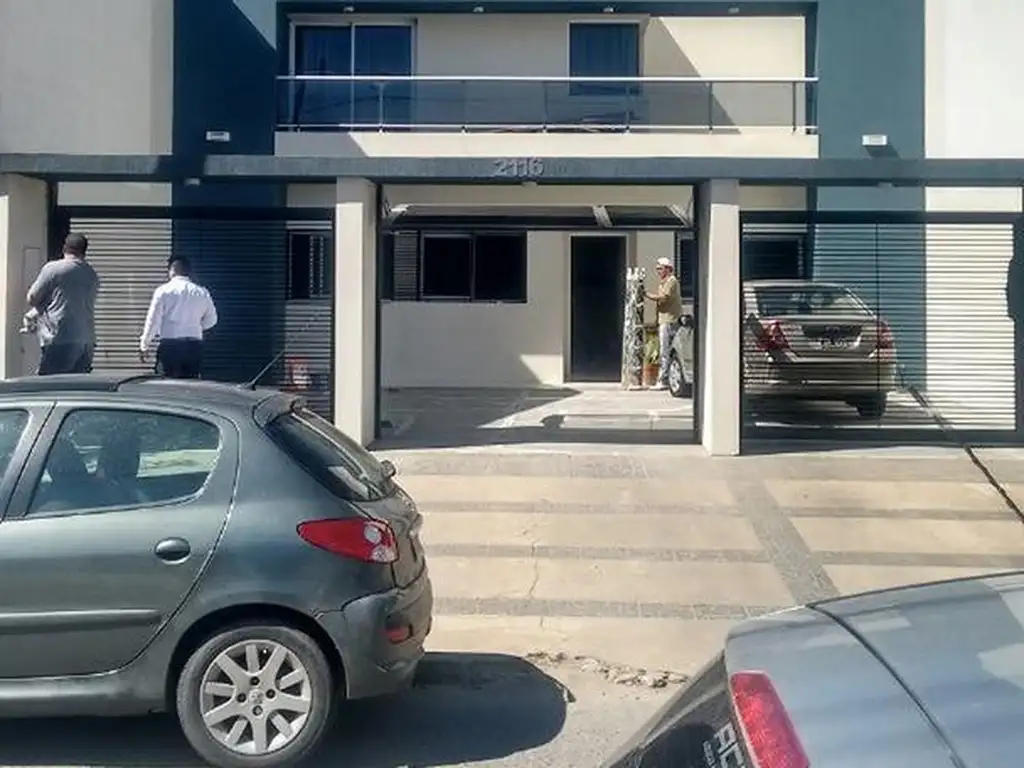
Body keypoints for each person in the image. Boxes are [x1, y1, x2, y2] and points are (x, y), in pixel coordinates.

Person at [26, 233, 100, 375]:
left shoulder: (53, 268)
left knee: (49, 383)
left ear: (64, 248)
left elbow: (32, 298)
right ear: (84, 251)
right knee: (77, 385)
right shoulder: (91, 273)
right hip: (87, 341)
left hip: (60, 339)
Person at [139, 257, 218, 379]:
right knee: (191, 384)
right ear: (189, 272)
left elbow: (153, 321)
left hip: (170, 346)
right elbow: (212, 320)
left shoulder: (163, 291)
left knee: (166, 383)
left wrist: (144, 344)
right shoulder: (202, 292)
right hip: (194, 346)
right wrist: (195, 326)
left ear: (172, 271)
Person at [645, 256, 683, 391]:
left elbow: (664, 298)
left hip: (669, 320)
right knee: (666, 351)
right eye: (657, 269)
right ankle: (667, 378)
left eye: (660, 268)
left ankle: (663, 380)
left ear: (667, 269)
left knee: (665, 351)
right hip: (664, 320)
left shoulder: (671, 281)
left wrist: (647, 295)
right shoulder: (663, 282)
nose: (658, 271)